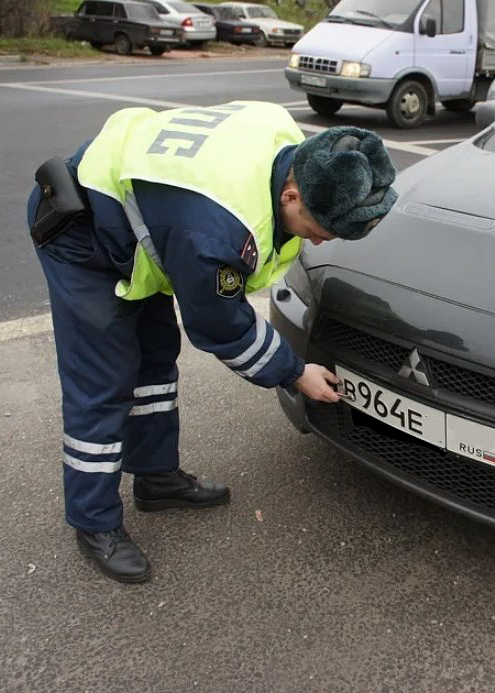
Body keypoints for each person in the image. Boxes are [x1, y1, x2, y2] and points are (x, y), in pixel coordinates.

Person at [27, 101, 397, 583]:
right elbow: (220, 324)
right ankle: (93, 522)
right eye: (318, 231)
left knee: (156, 361)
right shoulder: (215, 231)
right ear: (291, 195)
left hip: (146, 224)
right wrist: (292, 372)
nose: (321, 243)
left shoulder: (289, 145)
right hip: (85, 236)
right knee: (103, 383)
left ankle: (155, 478)